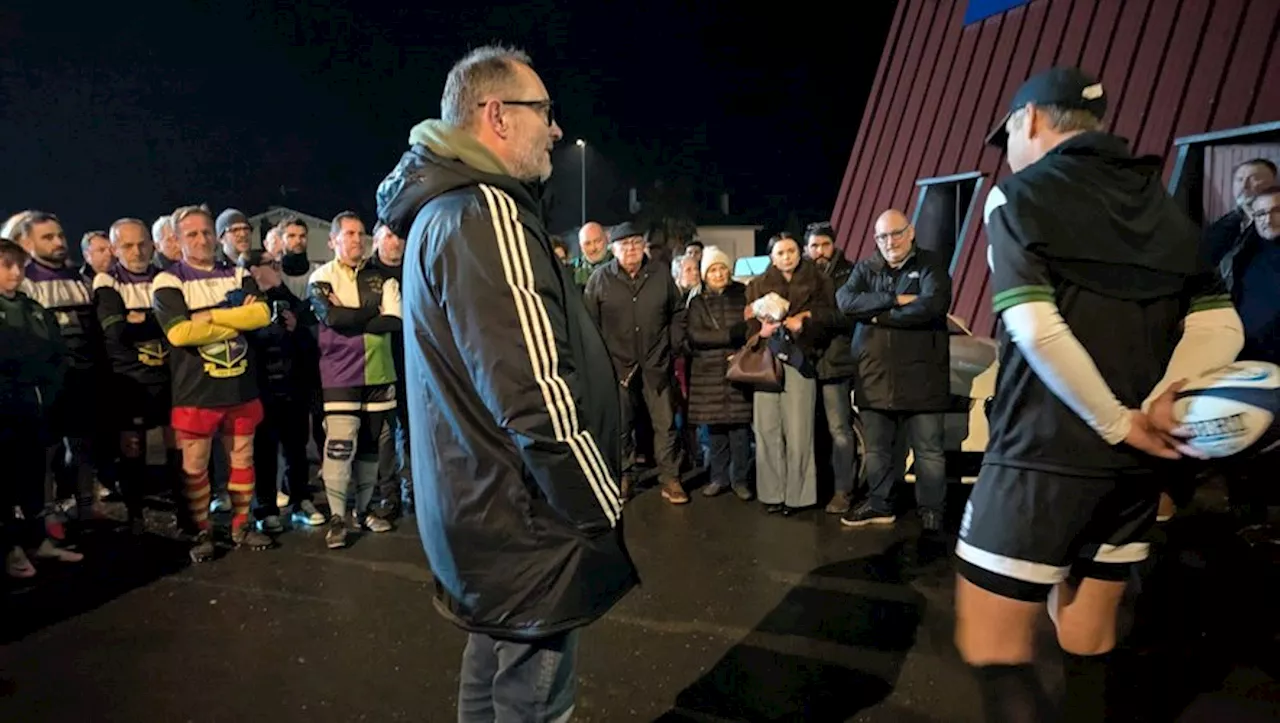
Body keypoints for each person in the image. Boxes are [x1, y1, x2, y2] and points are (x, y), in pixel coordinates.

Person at [955, 67, 1245, 722]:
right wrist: (1159, 405)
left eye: (1009, 137)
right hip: (1133, 470)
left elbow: (1033, 325)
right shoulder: (1164, 207)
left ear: (1029, 121)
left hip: (1039, 457)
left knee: (992, 643)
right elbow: (1220, 324)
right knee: (1089, 639)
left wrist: (1116, 420)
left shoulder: (1017, 196)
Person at [375, 44, 637, 721]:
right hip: (524, 517)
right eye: (543, 111)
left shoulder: (445, 210)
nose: (554, 129)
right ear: (496, 115)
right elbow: (534, 393)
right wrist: (598, 499)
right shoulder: (482, 213)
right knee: (534, 701)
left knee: (493, 671)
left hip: (482, 507)